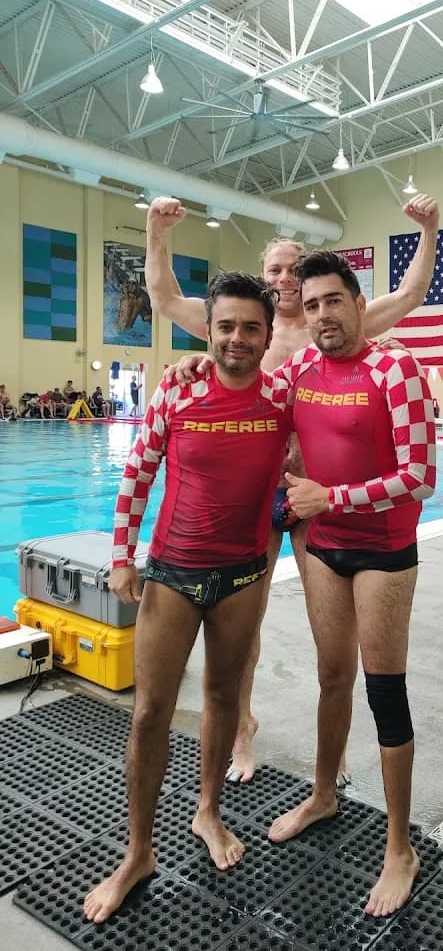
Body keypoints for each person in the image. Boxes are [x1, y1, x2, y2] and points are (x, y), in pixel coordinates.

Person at [144, 193, 439, 784]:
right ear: (263, 277)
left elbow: (408, 295)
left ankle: (331, 754)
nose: (284, 278)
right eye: (274, 269)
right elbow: (163, 297)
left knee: (328, 635)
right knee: (242, 623)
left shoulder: (328, 324)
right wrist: (156, 233)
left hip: (313, 499)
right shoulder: (247, 327)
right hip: (260, 493)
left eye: (292, 267)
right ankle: (243, 728)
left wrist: (429, 231)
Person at [83, 272, 292, 925]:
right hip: (172, 572)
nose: (236, 338)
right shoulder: (178, 389)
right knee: (149, 713)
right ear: (209, 330)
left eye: (249, 327)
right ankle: (138, 850)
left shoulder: (284, 397)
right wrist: (122, 557)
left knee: (225, 698)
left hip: (242, 576)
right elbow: (137, 474)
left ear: (267, 334)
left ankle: (207, 809)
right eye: (225, 326)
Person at [260, 250, 436, 918]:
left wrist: (329, 497)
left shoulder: (398, 367)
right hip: (326, 550)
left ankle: (399, 848)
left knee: (382, 686)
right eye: (311, 305)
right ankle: (324, 792)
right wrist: (201, 367)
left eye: (334, 300)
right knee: (331, 676)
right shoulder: (301, 367)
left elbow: (420, 476)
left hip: (384, 552)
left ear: (360, 304)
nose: (323, 315)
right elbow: (255, 399)